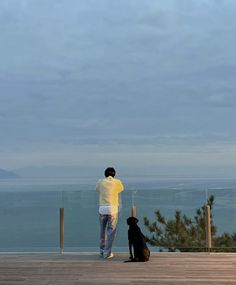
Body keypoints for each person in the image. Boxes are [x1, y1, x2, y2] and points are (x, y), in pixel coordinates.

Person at [96, 167, 124, 259]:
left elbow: (97, 190)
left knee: (102, 230)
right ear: (114, 174)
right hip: (112, 209)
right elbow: (120, 191)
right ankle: (107, 253)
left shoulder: (100, 182)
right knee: (111, 231)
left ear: (105, 174)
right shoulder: (117, 182)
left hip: (102, 208)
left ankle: (101, 251)